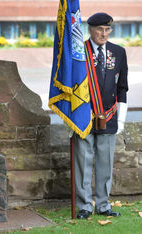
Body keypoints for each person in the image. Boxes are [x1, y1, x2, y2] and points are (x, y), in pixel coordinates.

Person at [74, 12, 129, 219]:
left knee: (105, 162)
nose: (103, 34)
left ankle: (103, 205)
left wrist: (121, 118)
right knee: (83, 162)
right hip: (84, 117)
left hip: (109, 116)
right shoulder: (79, 53)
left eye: (107, 30)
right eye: (99, 30)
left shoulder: (119, 52)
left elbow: (122, 87)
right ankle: (85, 206)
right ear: (90, 29)